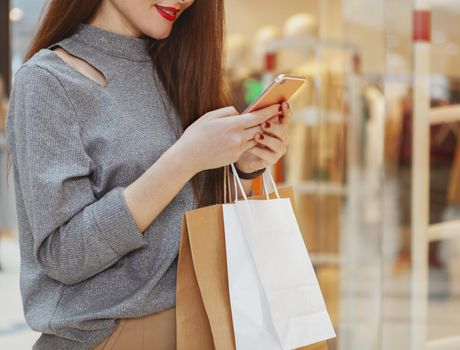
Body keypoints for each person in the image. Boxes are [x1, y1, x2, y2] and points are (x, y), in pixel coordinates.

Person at [5, 1, 292, 349]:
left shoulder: (182, 66)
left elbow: (186, 221)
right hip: (110, 336)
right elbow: (65, 254)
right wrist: (184, 159)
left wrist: (243, 164)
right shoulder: (49, 79)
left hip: (203, 323)